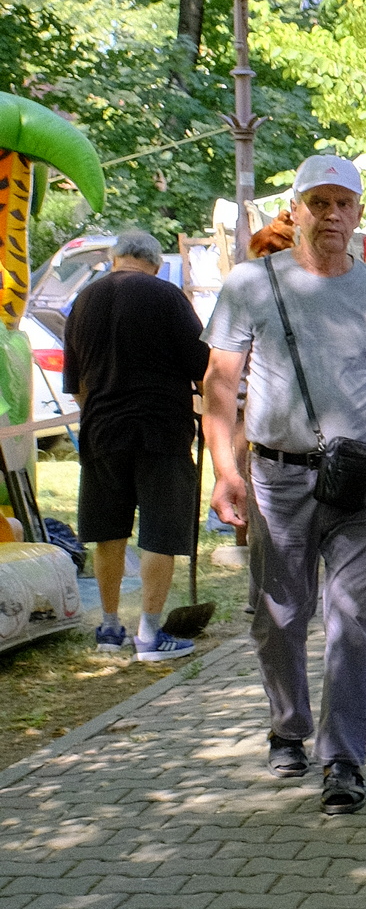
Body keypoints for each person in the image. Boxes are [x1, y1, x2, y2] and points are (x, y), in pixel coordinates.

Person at [203, 155, 366, 813]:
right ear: (296, 209)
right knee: (278, 616)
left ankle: (343, 759)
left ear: (359, 214)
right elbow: (219, 387)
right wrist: (225, 471)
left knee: (354, 621)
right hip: (277, 475)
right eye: (319, 202)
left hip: (361, 475)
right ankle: (288, 726)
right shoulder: (251, 284)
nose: (332, 215)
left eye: (344, 203)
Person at [62, 227, 209, 661]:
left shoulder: (83, 302)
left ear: (114, 259)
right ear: (155, 262)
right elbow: (203, 367)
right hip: (160, 430)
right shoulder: (167, 297)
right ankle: (149, 633)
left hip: (102, 430)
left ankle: (109, 627)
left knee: (108, 532)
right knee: (160, 531)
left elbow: (76, 386)